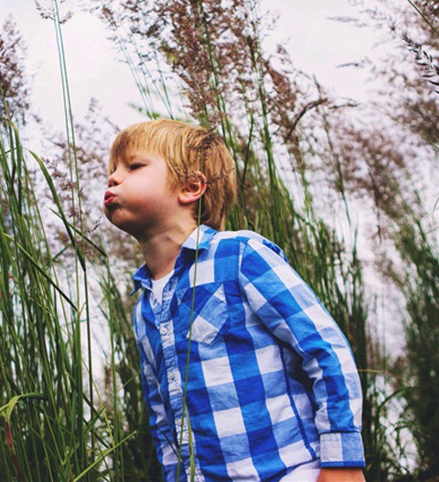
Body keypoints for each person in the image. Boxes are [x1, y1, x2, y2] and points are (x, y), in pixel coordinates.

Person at [103, 119, 365, 481]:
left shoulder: (239, 255)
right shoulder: (144, 305)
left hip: (290, 471)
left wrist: (343, 461)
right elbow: (162, 415)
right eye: (112, 170)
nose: (114, 178)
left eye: (133, 166)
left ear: (191, 186)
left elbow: (324, 349)